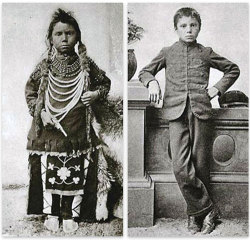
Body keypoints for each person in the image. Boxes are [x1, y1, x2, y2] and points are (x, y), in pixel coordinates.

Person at [139, 7, 240, 234]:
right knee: (180, 166)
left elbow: (233, 69)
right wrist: (152, 82)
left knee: (201, 165)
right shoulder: (167, 52)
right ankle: (209, 209)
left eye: (193, 25)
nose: (189, 30)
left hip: (201, 112)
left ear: (199, 28)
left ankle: (196, 218)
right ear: (176, 29)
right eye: (183, 26)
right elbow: (145, 72)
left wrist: (217, 88)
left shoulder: (205, 52)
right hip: (175, 113)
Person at [25, 8, 113, 233]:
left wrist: (95, 94)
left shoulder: (86, 65)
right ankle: (51, 212)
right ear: (50, 38)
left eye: (70, 33)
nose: (64, 38)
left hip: (77, 128)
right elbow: (31, 91)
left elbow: (105, 83)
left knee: (74, 170)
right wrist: (41, 113)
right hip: (49, 128)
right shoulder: (45, 66)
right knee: (50, 169)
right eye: (59, 34)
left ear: (78, 36)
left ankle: (69, 214)